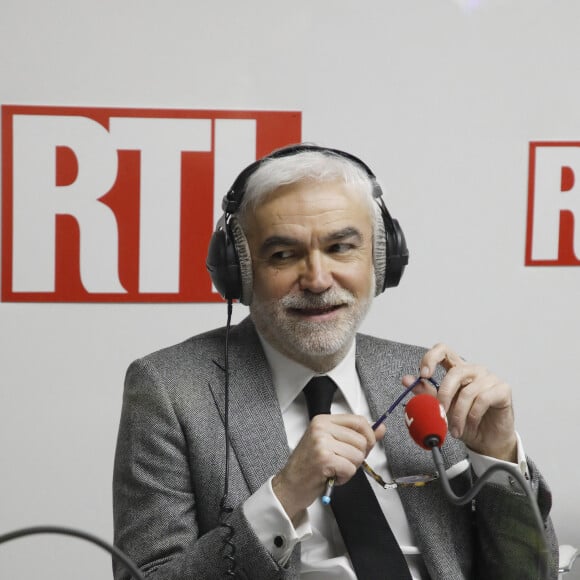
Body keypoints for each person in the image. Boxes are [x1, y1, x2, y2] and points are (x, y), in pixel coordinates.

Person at [112, 144, 558, 579]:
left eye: (341, 247)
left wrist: (497, 458)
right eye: (283, 255)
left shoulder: (431, 380)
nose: (318, 279)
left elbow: (530, 573)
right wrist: (281, 499)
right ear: (240, 272)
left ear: (381, 260)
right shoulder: (171, 391)